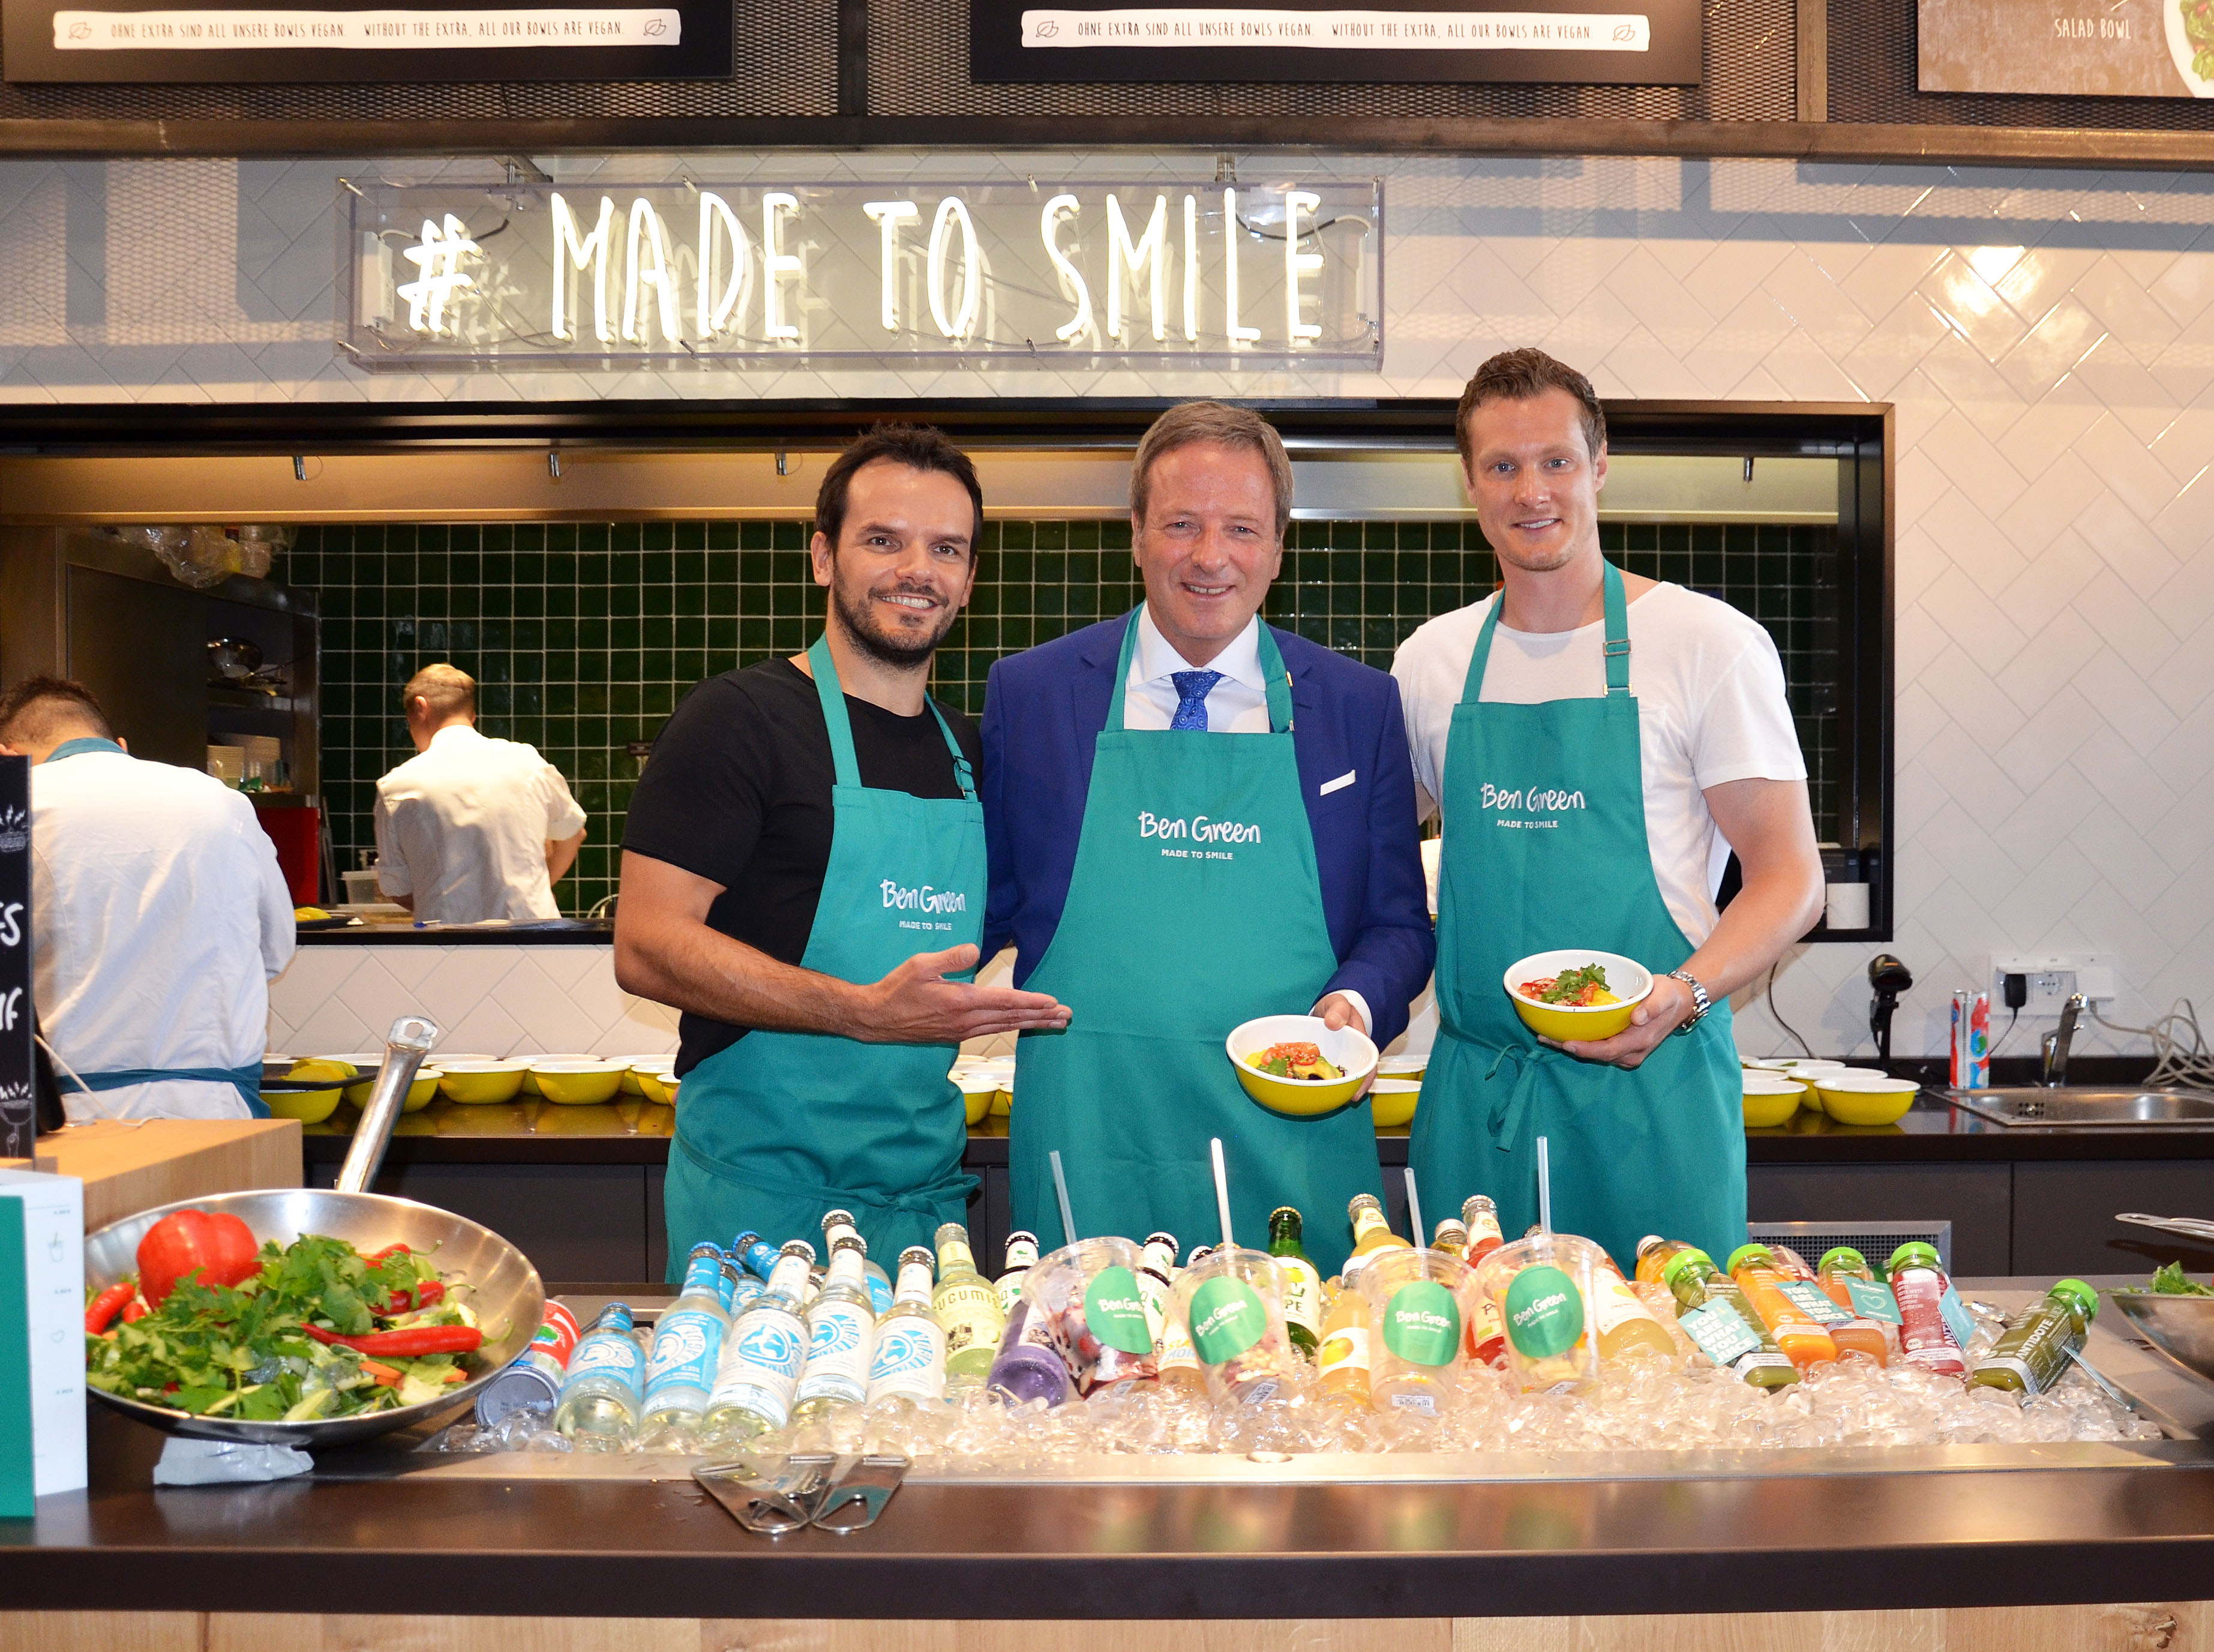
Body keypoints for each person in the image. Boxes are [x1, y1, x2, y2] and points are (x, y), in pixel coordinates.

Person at [1391, 349, 1826, 1266]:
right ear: (1469, 483)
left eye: (1554, 461)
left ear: (1598, 466)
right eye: (1503, 467)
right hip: (1481, 1103)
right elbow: (1367, 855)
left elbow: (1790, 878)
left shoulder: (1706, 643)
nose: (1531, 491)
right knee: (1466, 1381)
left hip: (1653, 1098)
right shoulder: (1432, 660)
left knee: (1667, 1375)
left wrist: (1688, 993)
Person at [983, 401, 1435, 1275]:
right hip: (1091, 1132)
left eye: (1240, 528)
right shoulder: (1032, 695)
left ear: (1276, 545)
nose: (1208, 556)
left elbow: (1398, 926)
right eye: (1181, 524)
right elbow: (986, 904)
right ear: (1138, 533)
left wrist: (1359, 1006)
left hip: (1292, 1130)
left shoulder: (1356, 706)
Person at [616, 425, 1070, 1276]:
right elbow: (645, 944)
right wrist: (857, 1011)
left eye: (946, 549)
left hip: (923, 1215)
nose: (917, 571)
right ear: (825, 557)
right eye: (883, 541)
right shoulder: (738, 720)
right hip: (759, 1212)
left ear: (970, 581)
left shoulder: (975, 754)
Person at [0, 677, 295, 1121]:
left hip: (69, 1115)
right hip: (217, 1114)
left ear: (7, 755)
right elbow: (274, 951)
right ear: (118, 745)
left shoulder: (16, 806)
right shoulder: (221, 800)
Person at [372, 664, 587, 925]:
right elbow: (573, 834)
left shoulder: (396, 787)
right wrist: (533, 889)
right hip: (534, 936)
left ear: (421, 707)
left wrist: (444, 904)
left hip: (448, 946)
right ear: (471, 717)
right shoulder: (527, 762)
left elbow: (396, 887)